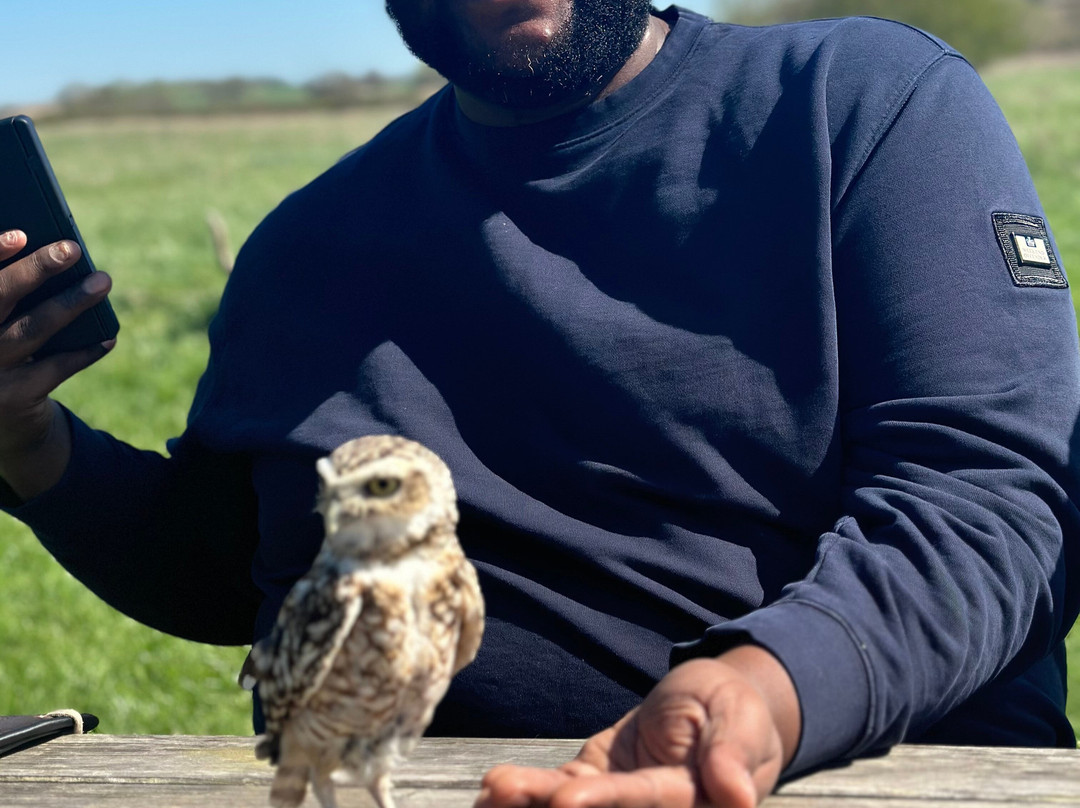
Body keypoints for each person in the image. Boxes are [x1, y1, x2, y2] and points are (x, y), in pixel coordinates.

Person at [1, 2, 1077, 806]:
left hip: (839, 774)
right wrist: (27, 439)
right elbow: (240, 569)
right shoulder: (304, 247)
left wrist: (770, 689)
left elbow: (994, 501)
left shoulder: (861, 103)